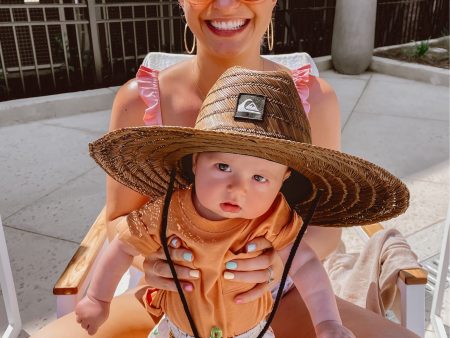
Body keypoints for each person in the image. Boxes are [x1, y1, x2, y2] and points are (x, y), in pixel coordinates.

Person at [31, 1, 421, 337]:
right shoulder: (140, 99)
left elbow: (323, 232)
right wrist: (152, 262)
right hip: (168, 296)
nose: (225, 4)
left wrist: (274, 267)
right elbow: (120, 220)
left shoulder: (312, 101)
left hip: (278, 293)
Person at [76, 67, 407, 338]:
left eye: (259, 178)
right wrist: (96, 298)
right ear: (195, 163)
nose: (237, 188)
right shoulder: (166, 210)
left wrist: (327, 322)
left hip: (252, 331)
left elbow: (305, 264)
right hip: (177, 329)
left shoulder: (274, 216)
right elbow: (122, 245)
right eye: (222, 167)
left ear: (283, 181)